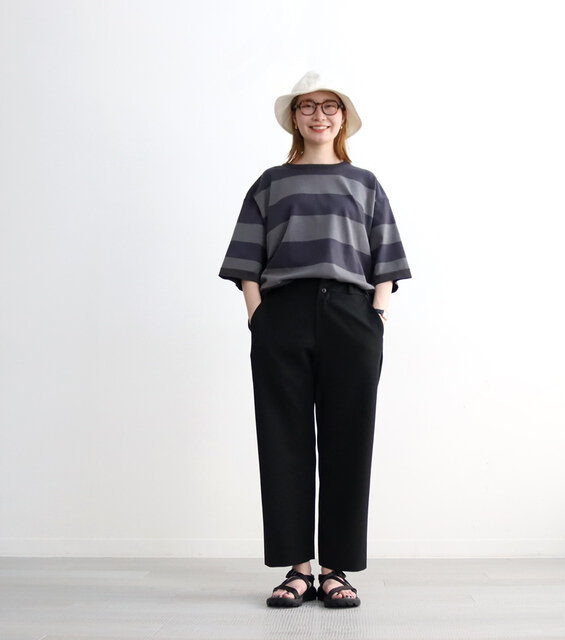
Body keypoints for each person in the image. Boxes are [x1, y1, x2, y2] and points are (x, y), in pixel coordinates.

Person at [218, 70, 412, 608]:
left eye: (330, 106)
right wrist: (258, 316)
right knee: (283, 439)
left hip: (352, 316)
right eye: (308, 106)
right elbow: (247, 258)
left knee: (349, 441)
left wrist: (377, 314)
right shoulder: (270, 183)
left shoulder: (365, 182)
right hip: (282, 314)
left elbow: (386, 257)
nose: (319, 115)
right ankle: (297, 569)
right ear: (295, 117)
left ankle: (335, 569)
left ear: (342, 118)